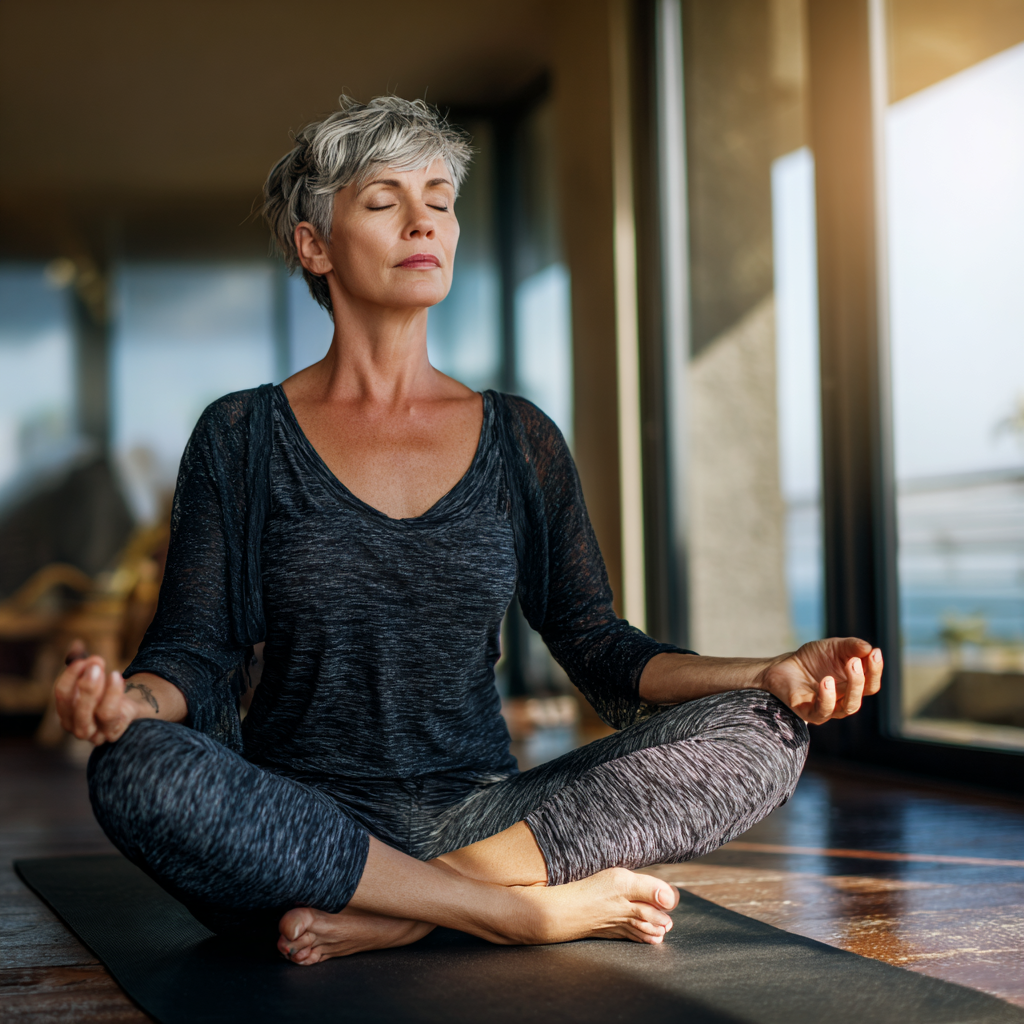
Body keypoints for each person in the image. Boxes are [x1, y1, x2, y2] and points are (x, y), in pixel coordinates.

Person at [54, 96, 883, 966]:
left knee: (767, 731)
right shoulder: (239, 436)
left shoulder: (518, 438)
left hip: (486, 821)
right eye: (384, 202)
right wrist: (127, 704)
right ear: (315, 245)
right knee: (131, 768)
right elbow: (195, 650)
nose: (425, 221)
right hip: (296, 829)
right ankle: (515, 913)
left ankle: (416, 906)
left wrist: (770, 672)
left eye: (441, 200)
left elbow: (597, 645)